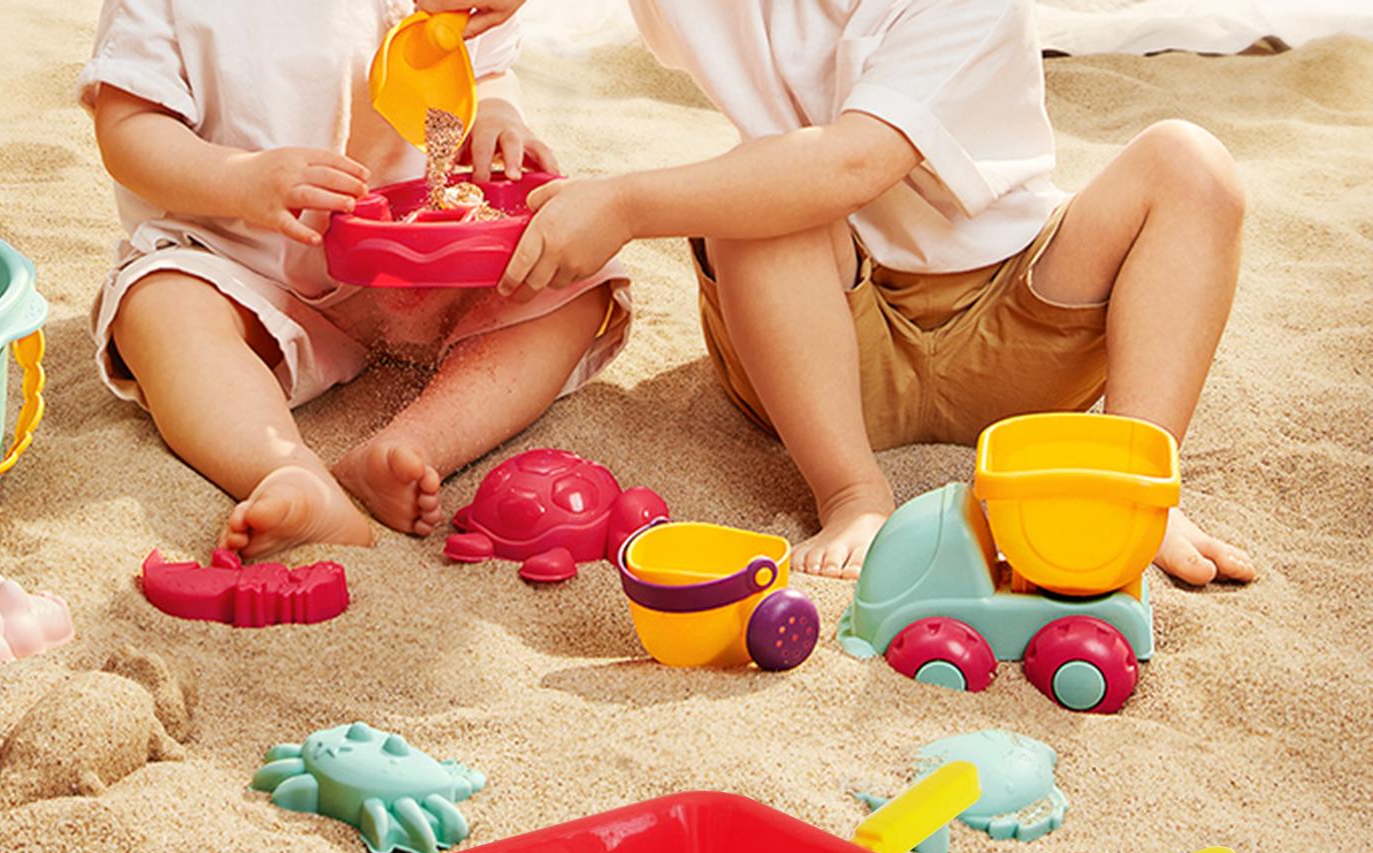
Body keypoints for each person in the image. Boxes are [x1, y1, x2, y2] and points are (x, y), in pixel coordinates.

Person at [453, 0, 1254, 585]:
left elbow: (853, 162)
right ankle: (852, 493)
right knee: (760, 197)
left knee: (1189, 164)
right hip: (821, 347)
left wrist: (625, 204)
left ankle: (1134, 480)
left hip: (1018, 322)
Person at [79, 1, 629, 556]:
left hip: (411, 266)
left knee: (574, 282)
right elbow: (128, 128)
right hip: (242, 264)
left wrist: (495, 113)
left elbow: (482, 68)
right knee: (159, 309)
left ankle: (414, 445)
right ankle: (287, 473)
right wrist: (241, 180)